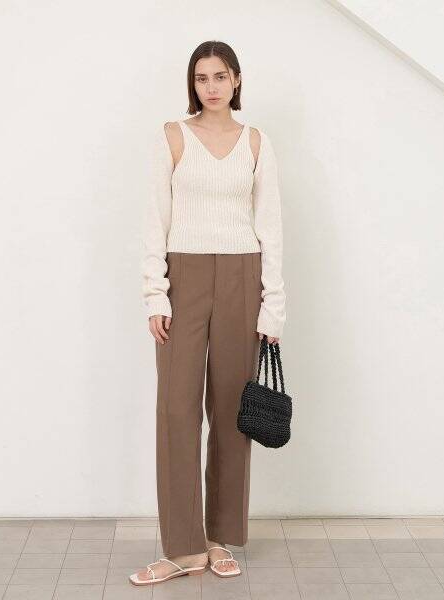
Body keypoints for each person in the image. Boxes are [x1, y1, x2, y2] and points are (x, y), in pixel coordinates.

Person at [130, 40, 286, 586]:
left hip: (243, 276)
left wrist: (273, 307)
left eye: (221, 76)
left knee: (230, 411)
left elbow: (271, 228)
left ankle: (219, 537)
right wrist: (156, 294)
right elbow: (154, 219)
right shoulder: (172, 136)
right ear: (192, 84)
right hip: (184, 278)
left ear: (237, 80)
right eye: (202, 78)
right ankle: (183, 548)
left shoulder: (257, 142)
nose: (212, 86)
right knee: (176, 410)